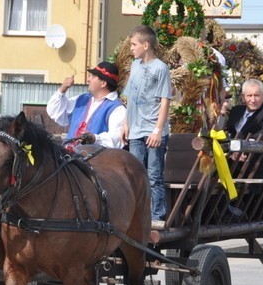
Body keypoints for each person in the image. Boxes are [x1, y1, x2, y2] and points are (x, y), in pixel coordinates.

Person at [122, 25, 172, 230]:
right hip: (135, 128)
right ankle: (136, 214)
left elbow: (165, 100)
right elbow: (130, 97)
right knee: (134, 174)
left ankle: (156, 216)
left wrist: (158, 130)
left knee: (153, 174)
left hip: (152, 129)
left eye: (134, 44)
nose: (131, 48)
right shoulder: (135, 65)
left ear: (146, 44)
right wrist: (126, 123)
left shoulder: (160, 68)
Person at [46, 61, 126, 148]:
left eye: (93, 76)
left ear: (103, 83)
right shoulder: (81, 100)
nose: (88, 80)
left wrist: (94, 138)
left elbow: (117, 139)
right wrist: (63, 89)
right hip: (70, 157)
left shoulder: (117, 108)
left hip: (95, 160)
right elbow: (55, 113)